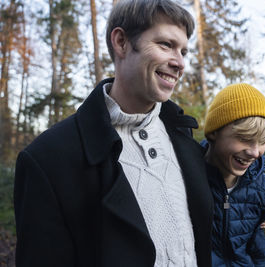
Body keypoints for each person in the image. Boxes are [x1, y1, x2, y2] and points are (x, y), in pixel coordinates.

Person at [13, 1, 214, 266]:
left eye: (183, 51)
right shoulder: (48, 160)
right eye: (166, 45)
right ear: (121, 42)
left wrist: (263, 199)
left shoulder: (184, 138)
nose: (179, 63)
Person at [201, 83, 265, 266]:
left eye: (262, 142)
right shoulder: (185, 177)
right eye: (244, 139)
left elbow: (258, 250)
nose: (255, 152)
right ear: (214, 133)